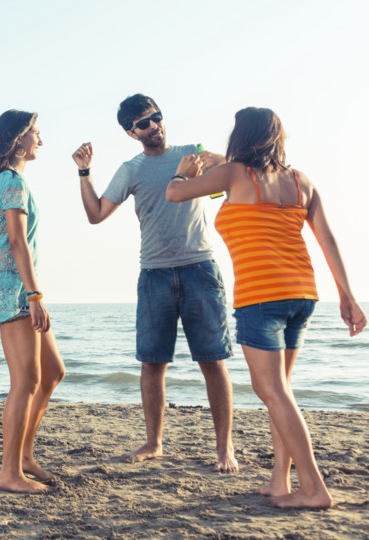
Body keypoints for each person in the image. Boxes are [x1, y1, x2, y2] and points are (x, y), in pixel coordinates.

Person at [166, 107, 366, 509]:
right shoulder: (300, 181)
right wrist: (347, 295)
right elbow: (328, 240)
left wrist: (184, 171)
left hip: (261, 296)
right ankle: (280, 481)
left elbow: (175, 194)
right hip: (302, 294)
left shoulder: (235, 173)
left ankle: (313, 488)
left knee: (271, 391)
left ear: (240, 136)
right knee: (282, 392)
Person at [72, 94, 238, 472]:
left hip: (200, 269)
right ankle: (153, 443)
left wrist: (210, 169)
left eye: (157, 118)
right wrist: (84, 172)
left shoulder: (191, 153)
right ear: (132, 133)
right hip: (154, 275)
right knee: (152, 363)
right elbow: (96, 214)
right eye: (144, 123)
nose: (154, 127)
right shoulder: (130, 170)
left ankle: (225, 448)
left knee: (213, 361)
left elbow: (236, 169)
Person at [0, 111, 66, 493]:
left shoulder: (9, 180)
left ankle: (25, 456)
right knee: (26, 381)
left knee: (52, 372)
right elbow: (16, 241)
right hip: (10, 288)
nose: (40, 141)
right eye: (36, 133)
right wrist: (34, 295)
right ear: (17, 140)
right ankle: (9, 472)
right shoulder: (11, 180)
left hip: (14, 285)